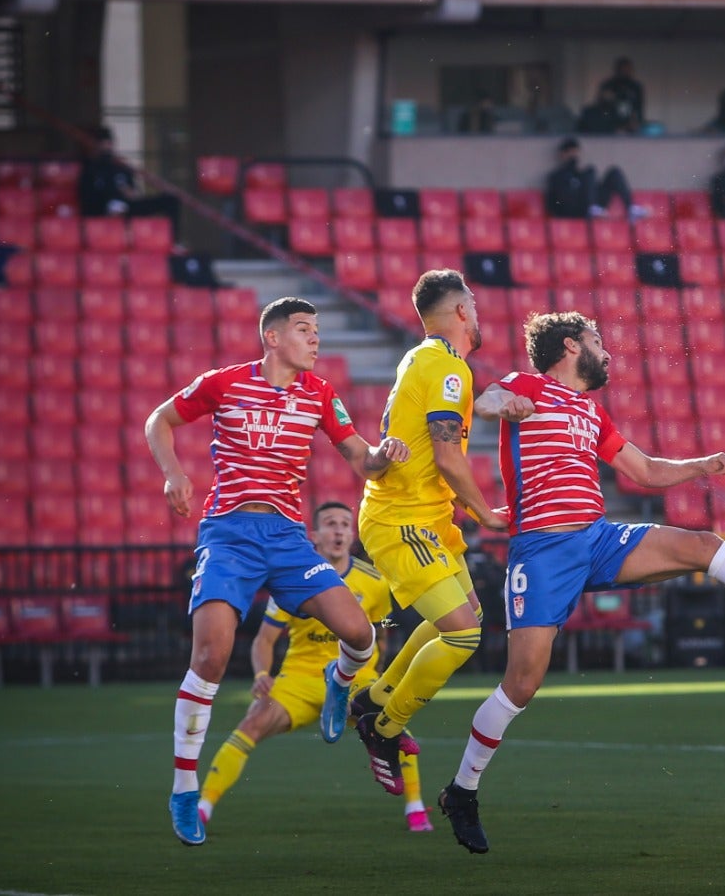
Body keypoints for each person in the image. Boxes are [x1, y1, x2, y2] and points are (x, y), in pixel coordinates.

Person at [435, 311, 725, 854]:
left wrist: (701, 465)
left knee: (700, 545)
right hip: (542, 549)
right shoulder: (527, 386)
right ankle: (462, 790)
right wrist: (506, 404)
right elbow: (483, 401)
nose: (607, 351)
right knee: (523, 682)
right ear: (570, 345)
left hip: (596, 539)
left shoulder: (591, 412)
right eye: (597, 340)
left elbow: (643, 471)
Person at [143, 296, 411, 846]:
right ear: (273, 337)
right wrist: (173, 475)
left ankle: (339, 685)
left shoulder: (320, 393)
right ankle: (184, 787)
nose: (316, 339)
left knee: (359, 632)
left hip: (288, 539)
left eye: (317, 330)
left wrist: (385, 453)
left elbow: (360, 457)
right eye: (305, 330)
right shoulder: (223, 382)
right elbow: (159, 421)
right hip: (230, 535)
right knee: (209, 657)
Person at [350, 271, 510, 800]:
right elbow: (447, 456)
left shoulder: (421, 357)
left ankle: (373, 697)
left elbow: (431, 452)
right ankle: (385, 727)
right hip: (405, 519)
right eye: (476, 305)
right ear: (462, 309)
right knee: (463, 634)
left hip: (427, 516)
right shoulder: (446, 369)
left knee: (472, 621)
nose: (479, 315)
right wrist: (486, 513)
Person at [199, 501, 435, 834]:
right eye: (329, 523)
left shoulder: (374, 581)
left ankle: (415, 810)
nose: (338, 529)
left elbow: (382, 625)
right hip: (299, 676)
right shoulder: (291, 579)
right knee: (251, 724)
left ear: (352, 534)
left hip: (356, 677)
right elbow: (264, 641)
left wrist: (378, 665)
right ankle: (202, 807)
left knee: (392, 728)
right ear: (314, 535)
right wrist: (262, 675)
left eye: (344, 523)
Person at [79, 126, 181, 228]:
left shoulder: (121, 166)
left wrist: (130, 193)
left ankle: (172, 240)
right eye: (102, 144)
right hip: (103, 210)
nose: (107, 148)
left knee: (171, 199)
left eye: (109, 143)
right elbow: (88, 200)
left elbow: (133, 192)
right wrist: (115, 194)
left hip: (127, 208)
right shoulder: (89, 168)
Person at [544, 138, 647, 219]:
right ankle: (591, 208)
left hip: (596, 205)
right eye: (569, 152)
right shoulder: (556, 176)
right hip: (576, 210)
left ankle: (630, 208)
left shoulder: (583, 173)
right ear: (562, 154)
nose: (573, 155)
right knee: (589, 172)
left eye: (575, 152)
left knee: (613, 173)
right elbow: (553, 203)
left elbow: (592, 186)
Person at [599, 56, 644, 132]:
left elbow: (639, 107)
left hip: (630, 123)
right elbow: (601, 107)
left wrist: (636, 122)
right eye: (623, 69)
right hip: (610, 124)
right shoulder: (609, 85)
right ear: (617, 69)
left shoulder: (635, 87)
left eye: (627, 69)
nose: (625, 71)